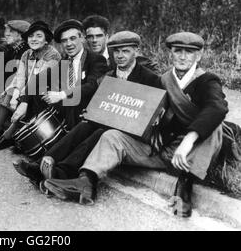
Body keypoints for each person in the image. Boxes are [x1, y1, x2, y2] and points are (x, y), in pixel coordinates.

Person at [43, 32, 228, 218]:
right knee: (111, 136)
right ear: (170, 54)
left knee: (215, 126)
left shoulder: (207, 80)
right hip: (161, 149)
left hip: (191, 154)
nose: (182, 56)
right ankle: (86, 182)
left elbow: (217, 107)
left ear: (199, 55)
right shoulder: (164, 80)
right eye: (177, 51)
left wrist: (188, 140)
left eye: (189, 52)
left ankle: (184, 188)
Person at [13, 31, 161, 189]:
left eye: (126, 51)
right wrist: (92, 111)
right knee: (85, 125)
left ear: (136, 51)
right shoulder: (110, 76)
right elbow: (102, 100)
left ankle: (61, 172)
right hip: (109, 121)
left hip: (130, 133)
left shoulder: (150, 78)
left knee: (100, 132)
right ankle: (41, 163)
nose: (120, 55)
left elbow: (151, 114)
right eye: (116, 51)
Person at [0, 20, 61, 150]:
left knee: (29, 98)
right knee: (10, 90)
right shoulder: (27, 54)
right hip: (29, 87)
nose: (34, 39)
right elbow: (21, 76)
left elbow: (40, 79)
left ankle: (8, 136)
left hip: (45, 91)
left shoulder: (52, 54)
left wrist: (22, 97)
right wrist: (16, 92)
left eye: (39, 36)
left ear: (46, 40)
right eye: (31, 36)